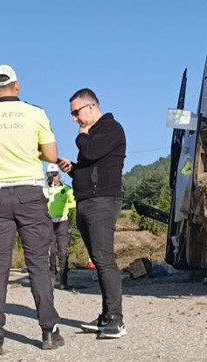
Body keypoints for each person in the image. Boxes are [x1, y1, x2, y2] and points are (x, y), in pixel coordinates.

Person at [0, 65, 64, 355]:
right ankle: (48, 331)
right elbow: (50, 154)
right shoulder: (35, 113)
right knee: (37, 262)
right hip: (29, 192)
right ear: (18, 86)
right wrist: (30, 149)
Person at [57, 88, 127, 338]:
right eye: (72, 114)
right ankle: (106, 315)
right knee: (98, 261)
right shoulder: (92, 135)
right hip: (86, 201)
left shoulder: (110, 128)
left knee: (104, 258)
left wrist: (82, 137)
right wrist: (72, 169)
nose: (74, 119)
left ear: (91, 107)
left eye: (76, 113)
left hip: (102, 203)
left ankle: (116, 320)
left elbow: (91, 151)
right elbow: (90, 164)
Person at [44, 163, 76, 290]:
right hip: (48, 223)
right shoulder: (44, 189)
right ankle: (52, 277)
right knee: (51, 251)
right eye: (50, 175)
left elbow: (73, 202)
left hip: (62, 223)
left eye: (55, 175)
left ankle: (63, 280)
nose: (53, 177)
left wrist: (65, 208)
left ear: (59, 175)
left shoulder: (66, 189)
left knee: (62, 252)